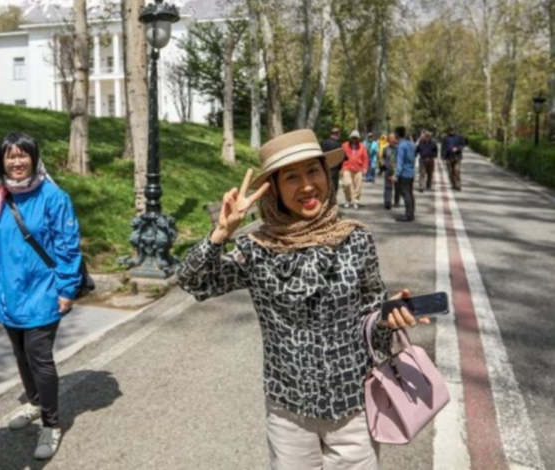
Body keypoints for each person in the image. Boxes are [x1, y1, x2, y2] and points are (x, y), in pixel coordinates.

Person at [176, 129, 427, 470]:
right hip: (288, 413)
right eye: (291, 177)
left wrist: (386, 319)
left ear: (326, 174)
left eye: (313, 171)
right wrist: (222, 233)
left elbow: (371, 324)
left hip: (353, 407)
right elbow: (194, 281)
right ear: (275, 190)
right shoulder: (256, 250)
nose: (307, 185)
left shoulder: (356, 240)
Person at [0, 132, 83, 460]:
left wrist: (66, 288)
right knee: (21, 354)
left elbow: (68, 245)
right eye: (10, 156)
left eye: (23, 155)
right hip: (9, 294)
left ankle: (51, 424)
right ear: (1, 162)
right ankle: (35, 402)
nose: (17, 162)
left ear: (34, 159)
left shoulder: (53, 196)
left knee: (39, 357)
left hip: (44, 292)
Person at [393, 126, 416, 222]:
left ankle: (408, 214)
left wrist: (396, 175)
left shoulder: (401, 145)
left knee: (405, 193)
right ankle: (411, 212)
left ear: (397, 134)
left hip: (404, 173)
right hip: (411, 172)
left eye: (395, 133)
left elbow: (400, 161)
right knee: (410, 193)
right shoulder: (411, 144)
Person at [340, 130, 368, 210]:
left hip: (358, 168)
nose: (354, 139)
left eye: (356, 138)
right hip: (347, 167)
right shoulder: (344, 145)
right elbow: (340, 157)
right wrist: (341, 168)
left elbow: (365, 158)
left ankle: (355, 201)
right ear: (350, 138)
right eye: (353, 137)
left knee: (358, 186)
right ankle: (348, 199)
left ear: (358, 139)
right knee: (347, 184)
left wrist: (365, 168)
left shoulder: (362, 147)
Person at [441, 126, 467, 190]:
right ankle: (453, 184)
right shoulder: (445, 138)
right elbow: (443, 147)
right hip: (448, 157)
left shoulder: (460, 137)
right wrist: (442, 156)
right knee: (450, 172)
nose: (451, 131)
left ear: (455, 130)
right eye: (450, 130)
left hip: (457, 156)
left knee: (456, 171)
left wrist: (457, 148)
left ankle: (458, 185)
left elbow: (463, 144)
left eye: (453, 130)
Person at [321, 127, 345, 193]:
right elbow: (342, 157)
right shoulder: (338, 144)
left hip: (325, 168)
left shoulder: (324, 143)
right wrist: (340, 168)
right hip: (335, 169)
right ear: (338, 134)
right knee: (334, 187)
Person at [380, 133, 400, 209]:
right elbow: (383, 158)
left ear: (395, 139)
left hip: (397, 170)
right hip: (388, 170)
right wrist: (383, 163)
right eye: (390, 138)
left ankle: (396, 201)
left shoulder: (398, 149)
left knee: (397, 187)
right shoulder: (385, 149)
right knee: (388, 187)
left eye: (393, 138)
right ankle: (387, 202)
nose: (391, 140)